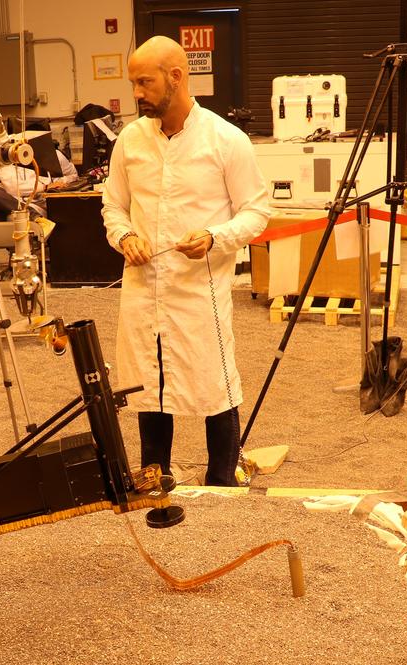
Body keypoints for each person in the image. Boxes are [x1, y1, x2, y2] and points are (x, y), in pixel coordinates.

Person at [101, 36, 269, 486]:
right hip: (142, 289)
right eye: (133, 82)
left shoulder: (225, 140)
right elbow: (112, 205)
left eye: (144, 82)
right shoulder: (130, 142)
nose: (137, 93)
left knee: (214, 383)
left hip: (200, 291)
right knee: (147, 383)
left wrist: (216, 237)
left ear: (176, 77)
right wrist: (125, 235)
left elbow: (257, 210)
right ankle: (156, 478)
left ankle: (221, 480)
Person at [0, 146, 78, 219]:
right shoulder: (9, 158)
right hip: (18, 202)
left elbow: (74, 176)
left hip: (42, 203)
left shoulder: (55, 155)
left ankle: (34, 216)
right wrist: (45, 187)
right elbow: (13, 188)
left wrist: (61, 181)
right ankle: (33, 215)